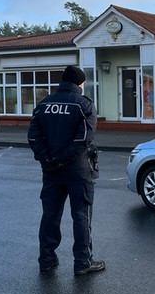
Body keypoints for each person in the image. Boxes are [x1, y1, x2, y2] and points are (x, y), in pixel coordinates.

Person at [27, 65, 105, 275]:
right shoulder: (84, 104)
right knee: (81, 215)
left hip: (51, 170)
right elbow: (83, 139)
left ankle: (46, 259)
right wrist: (62, 160)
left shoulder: (44, 104)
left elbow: (34, 137)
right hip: (78, 171)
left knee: (50, 215)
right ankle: (82, 262)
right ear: (80, 83)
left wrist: (48, 159)